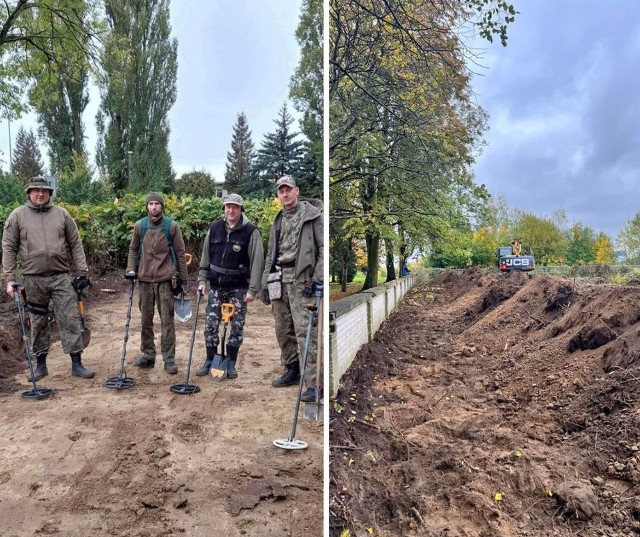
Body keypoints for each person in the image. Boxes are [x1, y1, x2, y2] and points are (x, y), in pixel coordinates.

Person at [2, 176, 95, 380]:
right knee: (37, 322)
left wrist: (82, 272)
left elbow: (75, 243)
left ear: (50, 193)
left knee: (69, 318)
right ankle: (41, 366)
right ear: (29, 193)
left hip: (61, 277)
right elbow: (9, 248)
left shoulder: (62, 215)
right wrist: (9, 279)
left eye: (44, 190)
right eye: (35, 190)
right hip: (32, 279)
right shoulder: (17, 216)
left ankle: (77, 364)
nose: (40, 194)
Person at [262, 175, 323, 402]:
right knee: (282, 328)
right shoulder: (278, 219)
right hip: (279, 278)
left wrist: (317, 279)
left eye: (288, 190)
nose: (285, 194)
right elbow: (271, 253)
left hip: (302, 281)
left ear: (296, 191)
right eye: (281, 191)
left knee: (305, 330)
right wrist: (266, 282)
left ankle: (313, 382)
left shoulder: (313, 217)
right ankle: (292, 369)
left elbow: (322, 249)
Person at [195, 193, 264, 378]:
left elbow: (257, 262)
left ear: (241, 209)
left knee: (236, 327)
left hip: (239, 288)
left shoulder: (251, 232)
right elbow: (205, 258)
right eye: (228, 207)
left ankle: (231, 362)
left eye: (235, 207)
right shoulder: (215, 228)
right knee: (210, 325)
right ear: (224, 209)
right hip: (216, 287)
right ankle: (210, 359)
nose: (231, 210)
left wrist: (253, 290)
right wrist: (202, 281)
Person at [126, 192, 189, 374]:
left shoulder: (171, 226)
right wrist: (131, 269)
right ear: (147, 206)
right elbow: (133, 249)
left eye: (157, 204)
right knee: (146, 320)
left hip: (165, 281)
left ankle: (169, 359)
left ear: (162, 206)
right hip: (144, 280)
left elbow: (180, 253)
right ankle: (148, 355)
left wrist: (183, 280)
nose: (154, 207)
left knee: (167, 322)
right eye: (151, 204)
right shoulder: (140, 226)